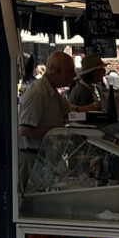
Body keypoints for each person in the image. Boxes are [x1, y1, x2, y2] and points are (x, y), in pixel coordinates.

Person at [18, 52, 76, 187]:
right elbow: (25, 130)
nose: (73, 76)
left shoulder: (52, 91)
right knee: (32, 203)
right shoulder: (38, 93)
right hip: (34, 161)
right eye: (70, 72)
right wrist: (58, 131)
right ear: (57, 71)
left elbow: (71, 109)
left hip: (46, 158)